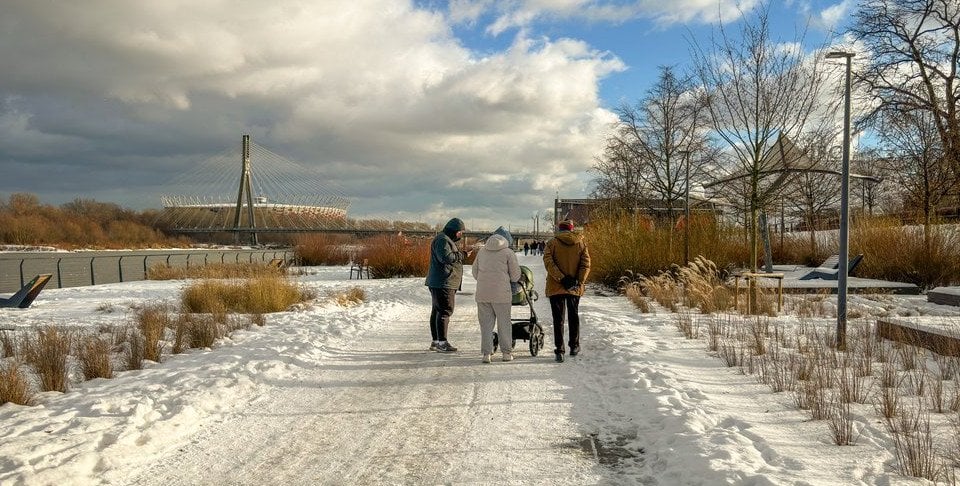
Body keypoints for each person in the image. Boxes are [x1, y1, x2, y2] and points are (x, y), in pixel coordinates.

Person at [543, 219, 590, 363]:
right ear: (571, 229)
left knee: (558, 319)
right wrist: (578, 281)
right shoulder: (581, 243)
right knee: (573, 316)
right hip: (574, 287)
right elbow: (586, 264)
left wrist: (562, 278)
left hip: (555, 286)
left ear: (560, 229)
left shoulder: (552, 243)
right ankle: (574, 346)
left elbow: (548, 263)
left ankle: (559, 350)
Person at [472, 226, 521, 363]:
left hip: (483, 294)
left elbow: (475, 272)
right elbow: (515, 276)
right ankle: (506, 353)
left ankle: (487, 354)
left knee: (486, 325)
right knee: (504, 324)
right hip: (501, 295)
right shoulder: (508, 252)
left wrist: (485, 280)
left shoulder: (482, 251)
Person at [425, 218, 473, 353]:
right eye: (460, 232)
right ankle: (442, 343)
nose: (461, 235)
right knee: (445, 311)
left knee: (437, 311)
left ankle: (436, 341)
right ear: (454, 231)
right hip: (443, 282)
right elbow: (446, 258)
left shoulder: (444, 239)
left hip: (440, 281)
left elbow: (448, 255)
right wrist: (462, 254)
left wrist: (459, 254)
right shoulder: (443, 240)